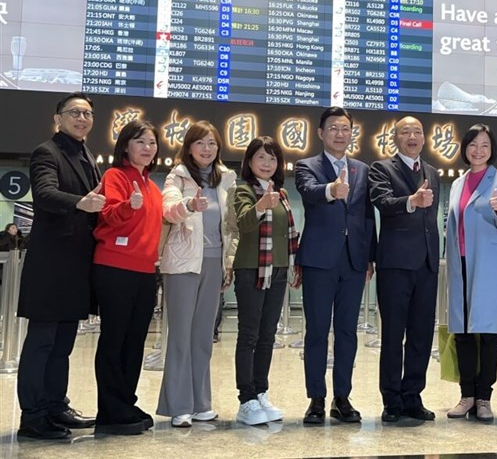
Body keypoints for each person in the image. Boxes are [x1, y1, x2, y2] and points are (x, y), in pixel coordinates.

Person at [16, 92, 101, 439]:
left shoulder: (86, 154)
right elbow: (45, 195)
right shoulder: (46, 152)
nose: (82, 119)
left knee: (64, 342)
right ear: (58, 118)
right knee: (42, 341)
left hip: (77, 264)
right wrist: (82, 202)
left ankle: (55, 405)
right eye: (75, 112)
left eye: (87, 114)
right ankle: (33, 414)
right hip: (51, 264)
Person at [295, 106, 376, 425]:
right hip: (318, 260)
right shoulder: (307, 165)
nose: (340, 134)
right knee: (316, 330)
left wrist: (369, 255)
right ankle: (316, 398)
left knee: (347, 331)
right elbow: (309, 192)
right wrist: (331, 190)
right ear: (320, 133)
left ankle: (342, 397)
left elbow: (367, 215)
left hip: (353, 260)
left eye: (345, 128)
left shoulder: (362, 169)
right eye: (333, 128)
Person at [156, 121, 238, 427]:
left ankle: (202, 401)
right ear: (189, 147)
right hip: (183, 265)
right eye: (201, 143)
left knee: (204, 336)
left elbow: (231, 226)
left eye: (212, 143)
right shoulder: (177, 176)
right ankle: (179, 405)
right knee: (180, 335)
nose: (207, 149)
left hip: (214, 264)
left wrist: (228, 264)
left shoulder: (226, 178)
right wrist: (189, 205)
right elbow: (168, 210)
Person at [368, 116, 441, 423]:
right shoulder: (381, 169)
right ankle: (391, 399)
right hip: (395, 264)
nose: (412, 136)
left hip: (426, 263)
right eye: (405, 132)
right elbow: (382, 202)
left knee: (421, 335)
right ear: (394, 138)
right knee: (393, 334)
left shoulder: (432, 172)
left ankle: (413, 395)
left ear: (424, 139)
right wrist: (411, 201)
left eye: (417, 132)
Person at [92, 120, 162, 435]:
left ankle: (125, 402)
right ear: (126, 145)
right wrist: (127, 206)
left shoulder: (153, 187)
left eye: (151, 143)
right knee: (114, 339)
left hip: (145, 272)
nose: (147, 148)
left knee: (134, 342)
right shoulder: (115, 176)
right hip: (115, 267)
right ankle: (110, 411)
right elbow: (106, 215)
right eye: (140, 142)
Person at [444, 124, 497, 422]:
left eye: (484, 145)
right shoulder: (458, 183)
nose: (478, 150)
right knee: (461, 332)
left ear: (492, 148)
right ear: (465, 148)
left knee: (487, 332)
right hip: (459, 264)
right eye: (473, 144)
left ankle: (484, 397)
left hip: (487, 265)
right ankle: (466, 395)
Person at [231, 136, 300, 425]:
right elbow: (244, 223)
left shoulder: (282, 194)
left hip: (279, 270)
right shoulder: (242, 190)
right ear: (249, 162)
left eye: (272, 159)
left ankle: (261, 392)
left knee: (267, 335)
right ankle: (245, 399)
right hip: (251, 271)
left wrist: (295, 263)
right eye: (261, 157)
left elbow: (288, 235)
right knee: (249, 335)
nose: (267, 163)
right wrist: (260, 205)